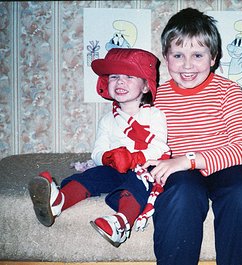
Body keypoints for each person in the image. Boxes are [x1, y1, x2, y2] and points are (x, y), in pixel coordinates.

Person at [143, 8, 242, 265]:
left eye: (197, 55)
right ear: (166, 57)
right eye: (178, 55)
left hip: (225, 166)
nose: (187, 65)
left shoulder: (229, 91)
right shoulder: (156, 97)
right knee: (181, 194)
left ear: (213, 58)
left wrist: (189, 159)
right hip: (181, 174)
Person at [28, 48, 170, 248]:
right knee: (92, 175)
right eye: (114, 76)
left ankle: (121, 222)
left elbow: (159, 148)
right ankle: (59, 201)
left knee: (137, 183)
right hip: (114, 170)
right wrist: (107, 158)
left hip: (143, 169)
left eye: (129, 76)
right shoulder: (107, 120)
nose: (120, 82)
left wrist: (133, 158)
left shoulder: (155, 115)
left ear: (146, 86)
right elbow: (97, 152)